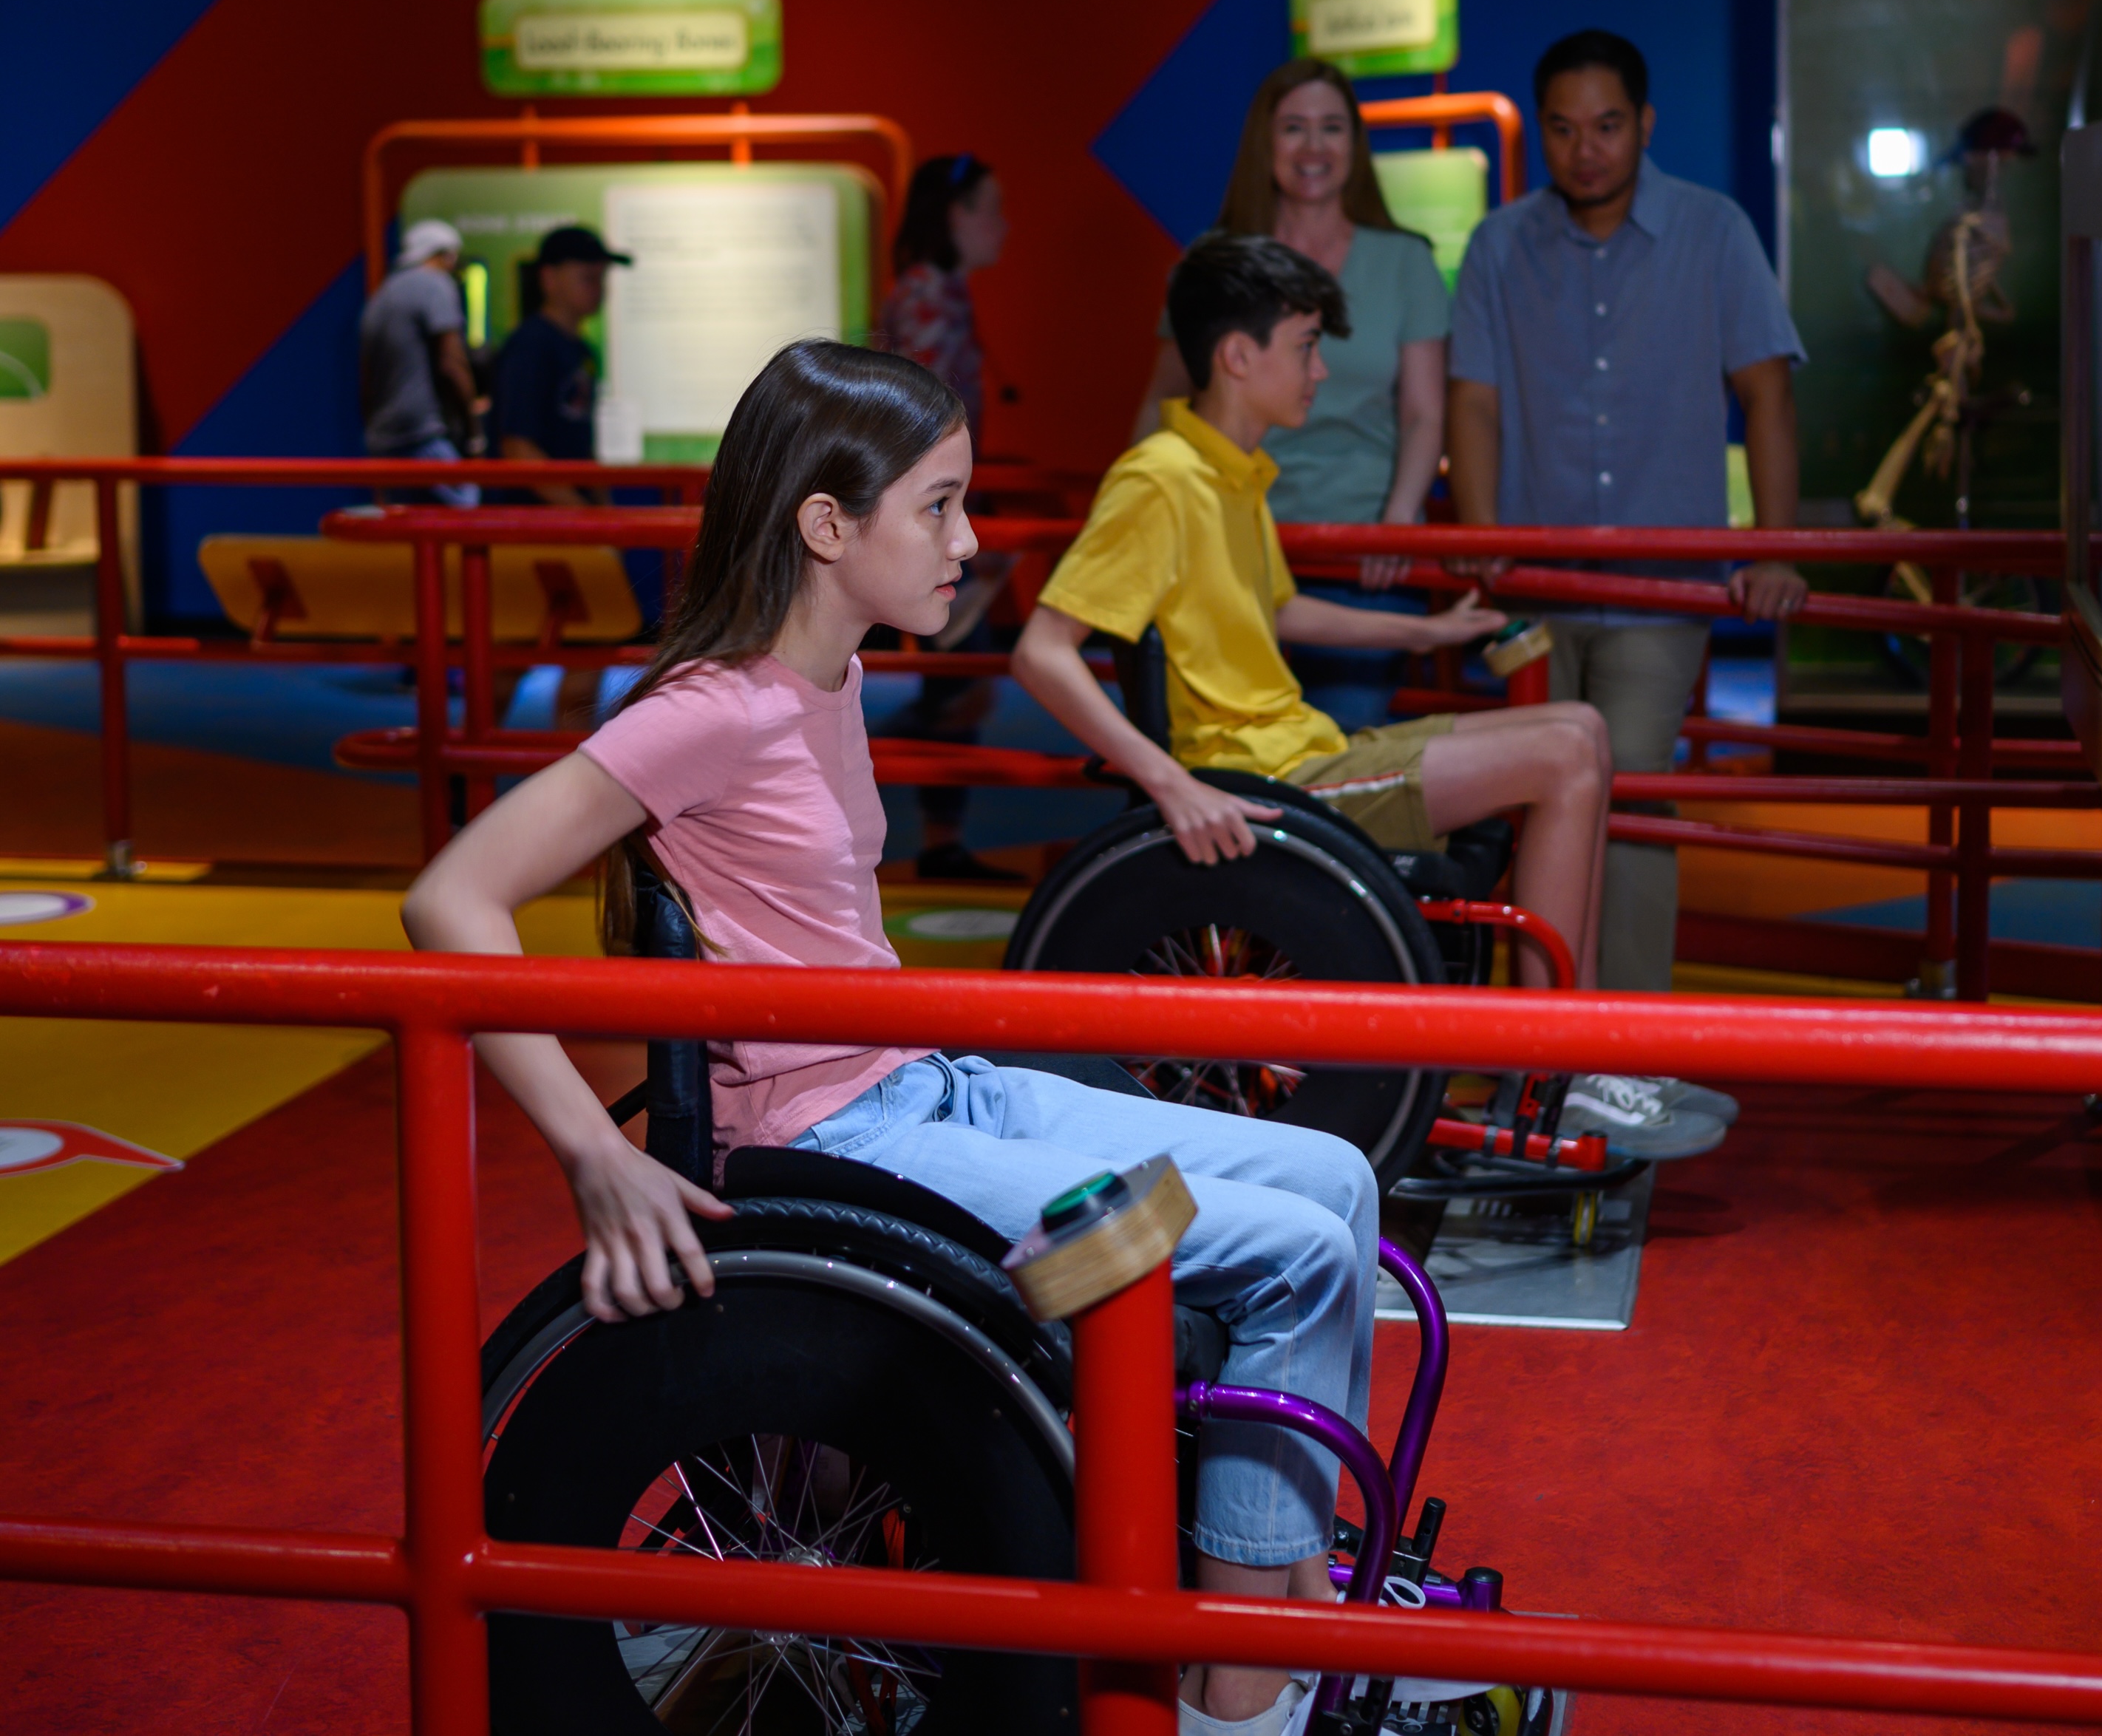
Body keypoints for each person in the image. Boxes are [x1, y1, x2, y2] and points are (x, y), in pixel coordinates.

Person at [401, 338, 1375, 1735]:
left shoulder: (839, 673)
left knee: (1337, 1178)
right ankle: (1239, 1683)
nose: (968, 542)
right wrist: (592, 1157)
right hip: (831, 1145)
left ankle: (1289, 1599)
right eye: (939, 506)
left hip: (921, 1091)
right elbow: (452, 896)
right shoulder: (714, 708)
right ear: (827, 525)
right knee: (1297, 1255)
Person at [1016, 231, 1732, 1153]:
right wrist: (1169, 782)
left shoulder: (1229, 470)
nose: (1321, 370)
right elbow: (1042, 651)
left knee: (1579, 726)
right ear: (1238, 356)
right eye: (1306, 345)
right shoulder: (1159, 479)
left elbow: (1279, 609)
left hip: (1302, 749)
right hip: (1266, 782)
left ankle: (1581, 1052)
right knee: (1563, 752)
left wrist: (1427, 632)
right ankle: (1557, 1072)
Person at [1449, 29, 1806, 1015]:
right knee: (1531, 799)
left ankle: (1625, 1043)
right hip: (1533, 589)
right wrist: (1479, 545)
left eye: (1607, 125)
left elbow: (1767, 395)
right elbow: (1471, 402)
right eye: (1563, 129)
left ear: (1645, 123)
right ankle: (1542, 1039)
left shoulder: (1713, 229)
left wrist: (1774, 551)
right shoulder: (1497, 245)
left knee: (1634, 793)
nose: (1586, 150)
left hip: (1661, 588)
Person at [1134, 62, 1449, 648]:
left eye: (1332, 127)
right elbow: (1163, 402)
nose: (1313, 146)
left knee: (1347, 710)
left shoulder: (1406, 260)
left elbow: (1425, 413)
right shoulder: (1212, 261)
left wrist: (1400, 520)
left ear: (1355, 143)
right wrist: (1145, 515)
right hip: (1227, 541)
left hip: (1363, 551)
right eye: (1293, 128)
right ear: (1265, 142)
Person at [874, 154, 1016, 881]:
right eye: (991, 208)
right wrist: (944, 519)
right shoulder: (931, 293)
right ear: (955, 214)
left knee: (957, 682)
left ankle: (938, 840)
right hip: (928, 518)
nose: (1003, 225)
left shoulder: (935, 289)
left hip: (935, 512)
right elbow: (920, 426)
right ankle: (920, 823)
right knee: (961, 682)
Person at [493, 225, 631, 506]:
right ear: (549, 278)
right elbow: (518, 447)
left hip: (566, 516)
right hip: (533, 520)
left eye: (602, 277)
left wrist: (602, 510)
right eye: (587, 277)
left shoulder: (582, 350)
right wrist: (583, 515)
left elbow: (582, 444)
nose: (599, 288)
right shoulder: (531, 345)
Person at [359, 219, 481, 505]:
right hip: (424, 436)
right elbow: (452, 363)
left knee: (409, 524)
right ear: (444, 255)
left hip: (384, 441)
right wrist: (475, 432)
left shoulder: (382, 295)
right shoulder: (434, 284)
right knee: (468, 517)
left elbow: (366, 381)